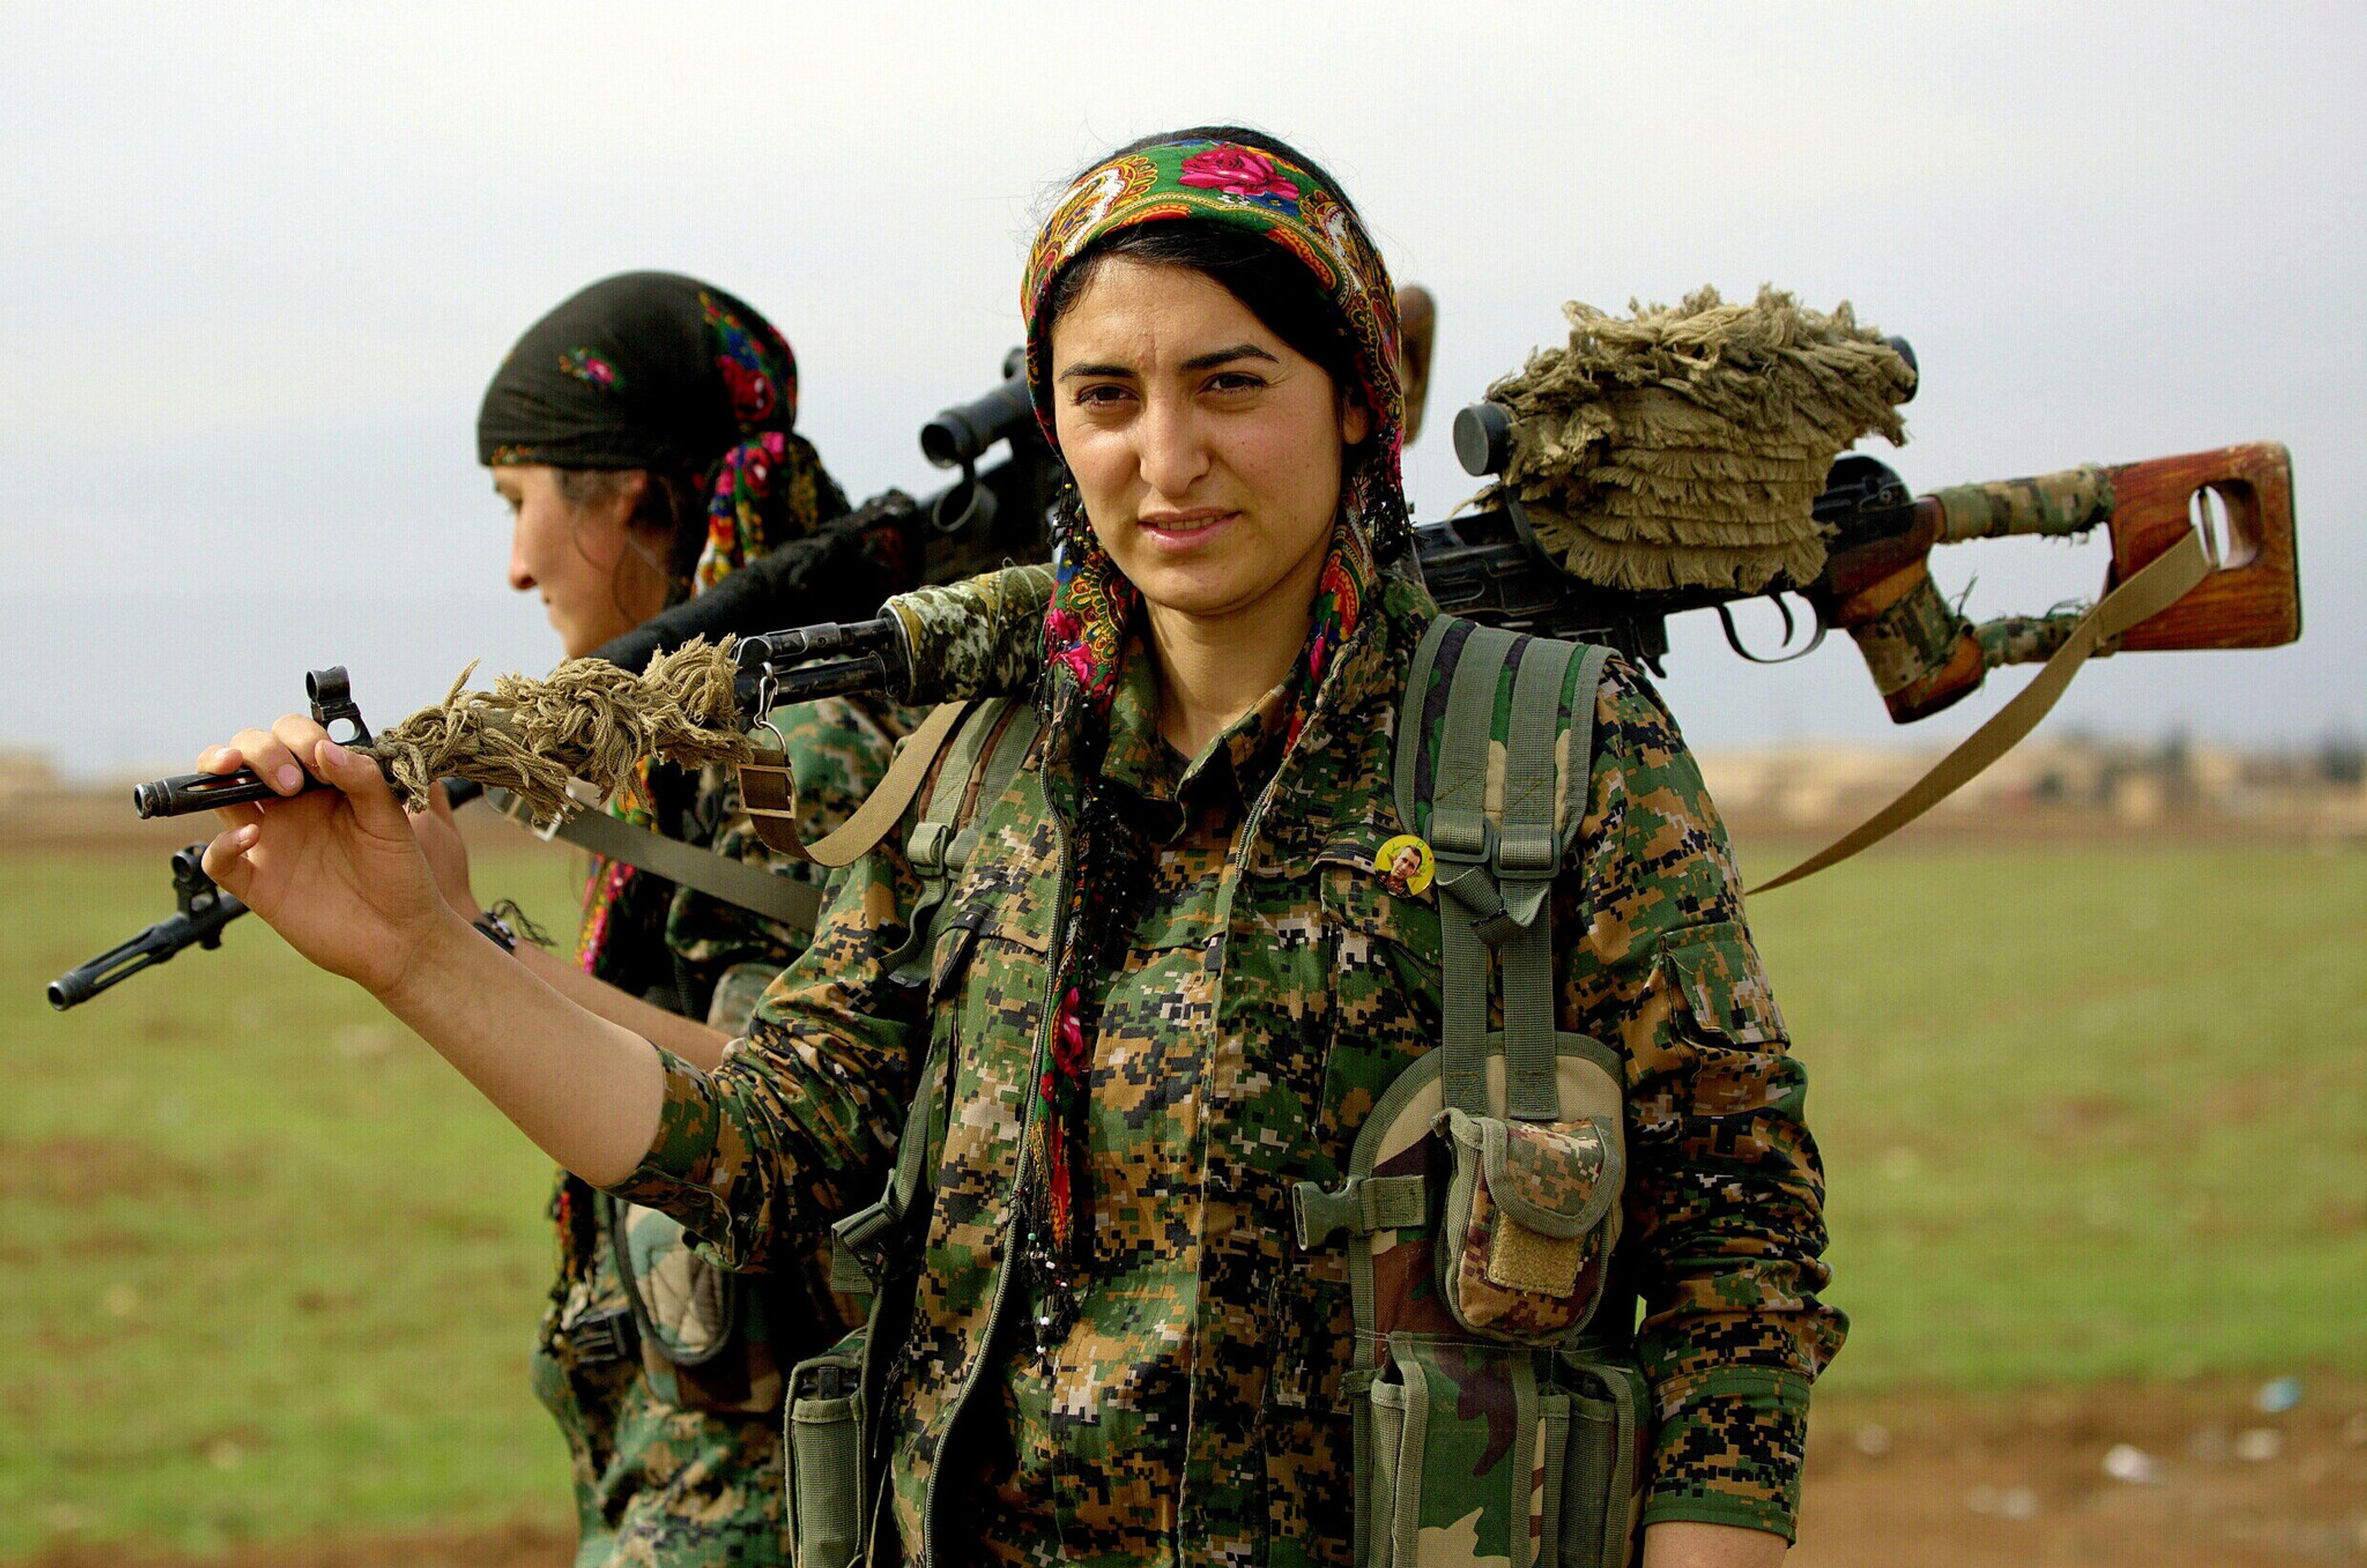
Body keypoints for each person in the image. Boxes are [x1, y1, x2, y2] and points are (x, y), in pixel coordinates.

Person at [196, 131, 1841, 1567]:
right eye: (1106, 397)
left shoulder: (1552, 743)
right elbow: (778, 1144)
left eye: (1232, 384)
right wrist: (417, 951)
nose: (1166, 459)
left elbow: (1737, 1247)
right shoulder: (984, 760)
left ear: (1359, 401)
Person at [420, 271, 908, 1567]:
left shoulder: (791, 746)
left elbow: (800, 1108)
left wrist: (460, 947)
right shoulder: (682, 740)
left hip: (780, 1484)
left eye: (521, 503)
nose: (516, 563)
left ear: (629, 495)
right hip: (693, 1448)